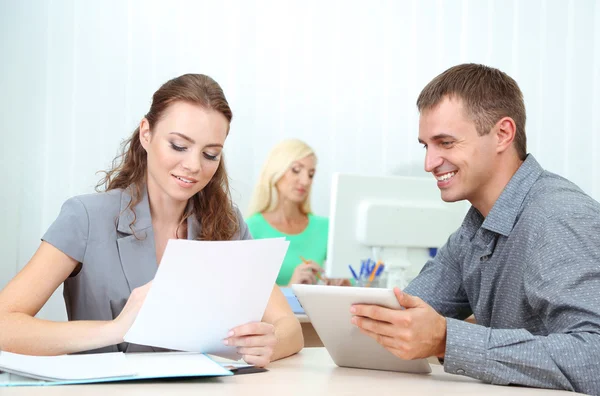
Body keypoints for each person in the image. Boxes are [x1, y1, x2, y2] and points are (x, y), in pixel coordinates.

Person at [0, 74, 303, 368]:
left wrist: (269, 342)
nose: (194, 165)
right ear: (146, 133)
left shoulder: (228, 224)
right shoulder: (86, 217)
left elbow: (289, 327)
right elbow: (4, 325)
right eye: (179, 146)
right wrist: (115, 329)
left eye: (210, 154)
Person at [350, 64, 600, 394]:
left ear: (503, 134)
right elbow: (407, 312)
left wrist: (447, 340)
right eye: (426, 145)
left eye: (446, 143)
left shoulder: (558, 216)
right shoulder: (475, 228)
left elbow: (593, 359)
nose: (429, 163)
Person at [246, 139, 347, 286]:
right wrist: (290, 288)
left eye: (311, 174)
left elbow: (350, 283)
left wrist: (341, 285)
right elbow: (246, 293)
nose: (305, 181)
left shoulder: (326, 228)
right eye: (296, 170)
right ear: (276, 171)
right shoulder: (250, 228)